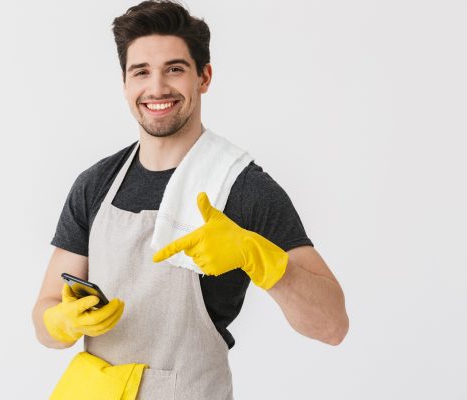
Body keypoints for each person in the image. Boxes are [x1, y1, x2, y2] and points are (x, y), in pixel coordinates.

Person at [33, 1, 349, 398]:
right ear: (125, 83)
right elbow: (44, 315)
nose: (157, 87)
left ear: (204, 77)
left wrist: (259, 256)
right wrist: (61, 322)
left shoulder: (241, 188)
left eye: (175, 69)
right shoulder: (96, 185)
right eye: (141, 72)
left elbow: (332, 324)